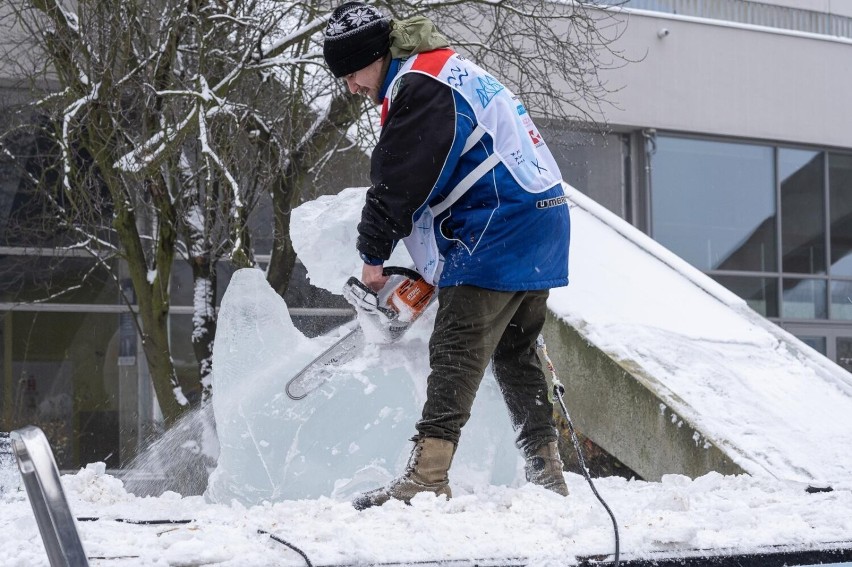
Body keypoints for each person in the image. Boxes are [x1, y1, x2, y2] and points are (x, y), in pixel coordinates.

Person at [322, 2, 571, 510]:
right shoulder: (443, 70)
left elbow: (398, 181)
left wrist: (373, 258)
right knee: (514, 351)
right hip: (539, 218)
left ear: (374, 55)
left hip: (499, 221)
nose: (351, 86)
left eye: (351, 72)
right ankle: (546, 472)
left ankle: (428, 475)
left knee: (456, 348)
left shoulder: (420, 85)